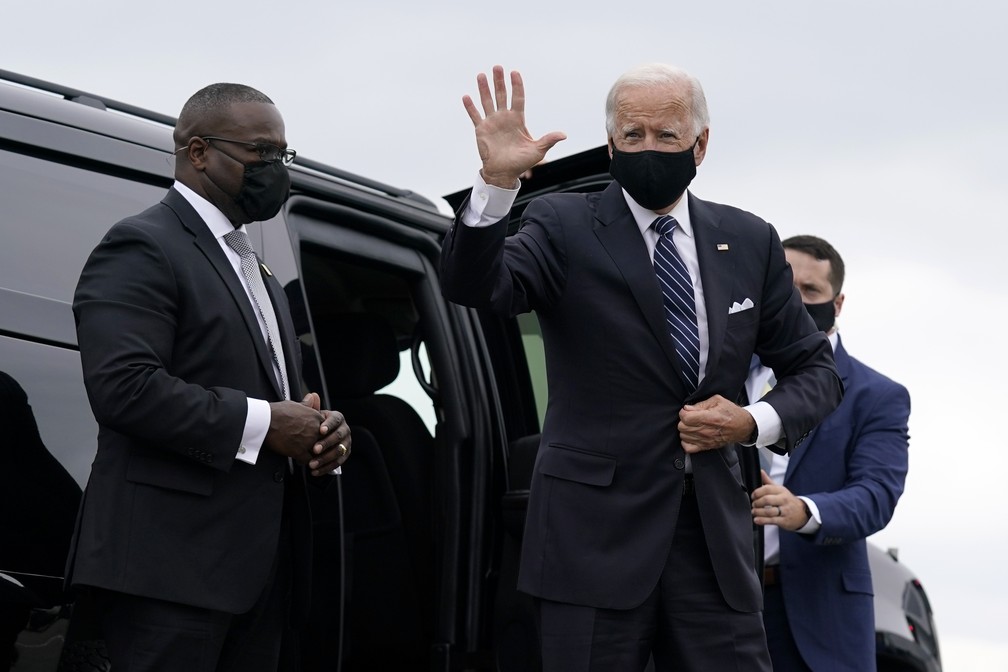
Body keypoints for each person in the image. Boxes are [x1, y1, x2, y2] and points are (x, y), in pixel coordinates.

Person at [440, 63, 843, 672]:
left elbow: (816, 371)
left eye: (666, 135)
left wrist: (751, 421)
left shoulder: (750, 239)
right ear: (610, 144)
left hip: (715, 549)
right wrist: (496, 187)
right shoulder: (561, 224)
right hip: (593, 542)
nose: (647, 148)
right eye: (632, 136)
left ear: (700, 144)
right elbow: (477, 286)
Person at [67, 83, 351, 672]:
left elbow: (276, 408)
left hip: (256, 577)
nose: (274, 169)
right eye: (259, 153)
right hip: (166, 578)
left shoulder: (259, 271)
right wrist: (268, 422)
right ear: (197, 152)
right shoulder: (143, 244)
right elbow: (124, 387)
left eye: (282, 156)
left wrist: (319, 433)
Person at [747, 235, 910, 671]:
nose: (796, 300)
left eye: (811, 291)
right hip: (713, 608)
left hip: (817, 620)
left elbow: (876, 494)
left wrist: (804, 510)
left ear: (837, 304)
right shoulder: (718, 371)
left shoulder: (876, 395)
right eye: (786, 285)